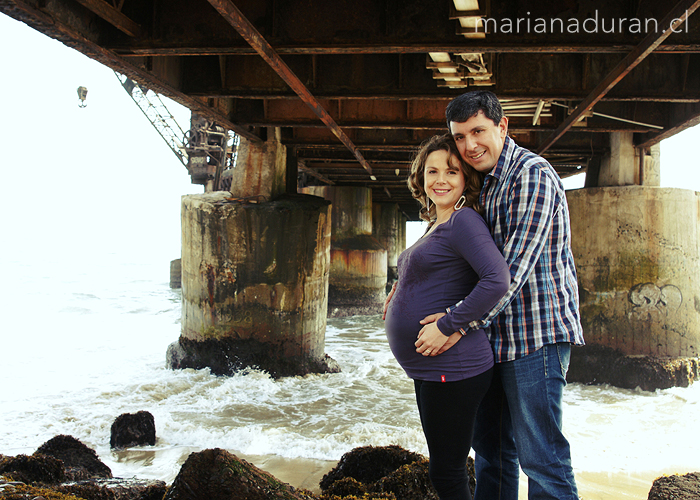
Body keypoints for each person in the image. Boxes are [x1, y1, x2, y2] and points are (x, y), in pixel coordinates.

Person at [412, 90, 585, 500]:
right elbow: (449, 241)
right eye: (459, 137)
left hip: (535, 338)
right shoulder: (480, 185)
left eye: (478, 131)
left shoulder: (531, 175)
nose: (469, 145)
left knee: (542, 458)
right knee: (491, 455)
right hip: (489, 343)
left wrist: (454, 325)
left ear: (502, 127)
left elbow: (512, 271)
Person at [383, 133, 510, 500]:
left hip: (454, 365)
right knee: (448, 468)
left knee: (447, 473)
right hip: (432, 366)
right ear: (420, 177)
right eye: (432, 171)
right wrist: (399, 290)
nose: (441, 179)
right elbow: (437, 273)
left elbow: (497, 279)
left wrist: (447, 323)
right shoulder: (437, 223)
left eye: (451, 172)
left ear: (465, 179)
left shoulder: (463, 220)